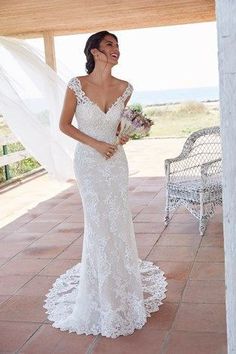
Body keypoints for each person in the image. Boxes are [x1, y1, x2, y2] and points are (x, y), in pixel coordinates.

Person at [44, 30, 167, 338]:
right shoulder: (77, 85)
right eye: (110, 45)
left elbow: (116, 128)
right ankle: (99, 296)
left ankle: (123, 288)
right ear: (95, 52)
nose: (116, 50)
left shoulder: (126, 88)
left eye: (117, 45)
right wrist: (96, 145)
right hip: (88, 163)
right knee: (98, 225)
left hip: (115, 163)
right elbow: (64, 125)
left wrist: (121, 136)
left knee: (118, 222)